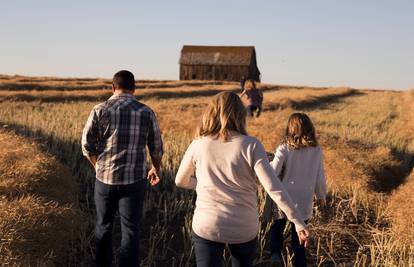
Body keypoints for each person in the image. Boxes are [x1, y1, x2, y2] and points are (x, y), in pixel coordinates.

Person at [175, 92, 309, 267]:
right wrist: (298, 222)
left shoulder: (198, 143)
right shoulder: (251, 145)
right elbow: (273, 188)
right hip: (243, 227)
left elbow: (180, 181)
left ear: (212, 112)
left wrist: (205, 185)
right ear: (240, 113)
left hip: (207, 225)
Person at [81, 70, 163, 267]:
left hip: (105, 180)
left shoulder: (99, 109)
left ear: (112, 87)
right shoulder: (146, 112)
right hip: (134, 181)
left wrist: (97, 166)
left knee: (103, 227)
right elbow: (156, 147)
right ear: (134, 89)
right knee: (131, 230)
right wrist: (155, 168)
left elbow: (86, 145)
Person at [269, 113, 327, 267]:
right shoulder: (316, 150)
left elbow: (272, 173)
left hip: (284, 198)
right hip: (304, 200)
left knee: (277, 227)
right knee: (299, 237)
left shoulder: (284, 148)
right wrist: (321, 195)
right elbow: (319, 176)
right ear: (310, 129)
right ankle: (299, 262)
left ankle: (275, 255)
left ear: (290, 128)